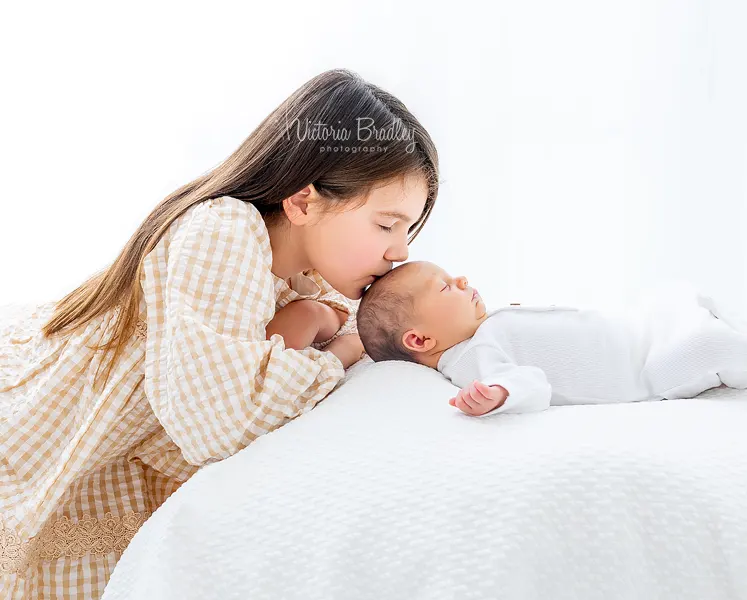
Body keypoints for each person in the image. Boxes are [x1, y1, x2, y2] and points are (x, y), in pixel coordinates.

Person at [0, 69, 438, 598]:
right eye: (386, 225)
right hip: (36, 445)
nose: (400, 251)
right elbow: (220, 420)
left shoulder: (317, 275)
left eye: (409, 230)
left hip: (109, 471)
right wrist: (342, 347)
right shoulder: (224, 229)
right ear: (303, 203)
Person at [356, 261, 747, 417]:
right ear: (421, 340)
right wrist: (498, 396)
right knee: (707, 347)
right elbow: (528, 384)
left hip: (637, 333)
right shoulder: (473, 358)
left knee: (680, 294)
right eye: (446, 287)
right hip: (646, 373)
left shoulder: (482, 329)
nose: (462, 282)